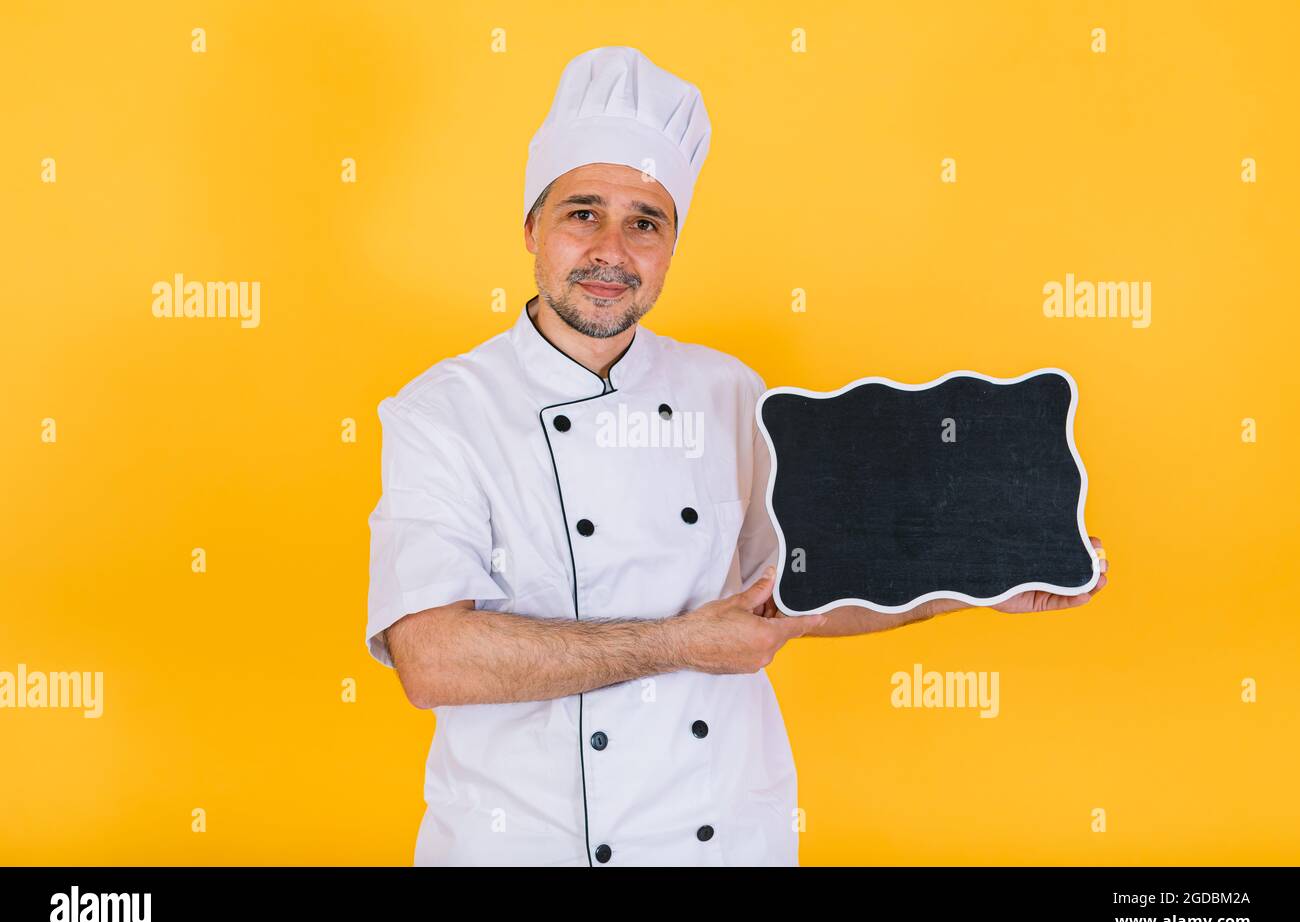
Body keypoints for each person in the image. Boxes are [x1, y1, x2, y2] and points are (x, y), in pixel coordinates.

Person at [363, 46, 1109, 866]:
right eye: (584, 212)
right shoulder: (443, 412)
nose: (614, 249)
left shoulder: (728, 392)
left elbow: (799, 591)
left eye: (646, 222)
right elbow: (431, 658)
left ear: (672, 245)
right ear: (532, 228)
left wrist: (978, 582)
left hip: (720, 837)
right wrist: (681, 643)